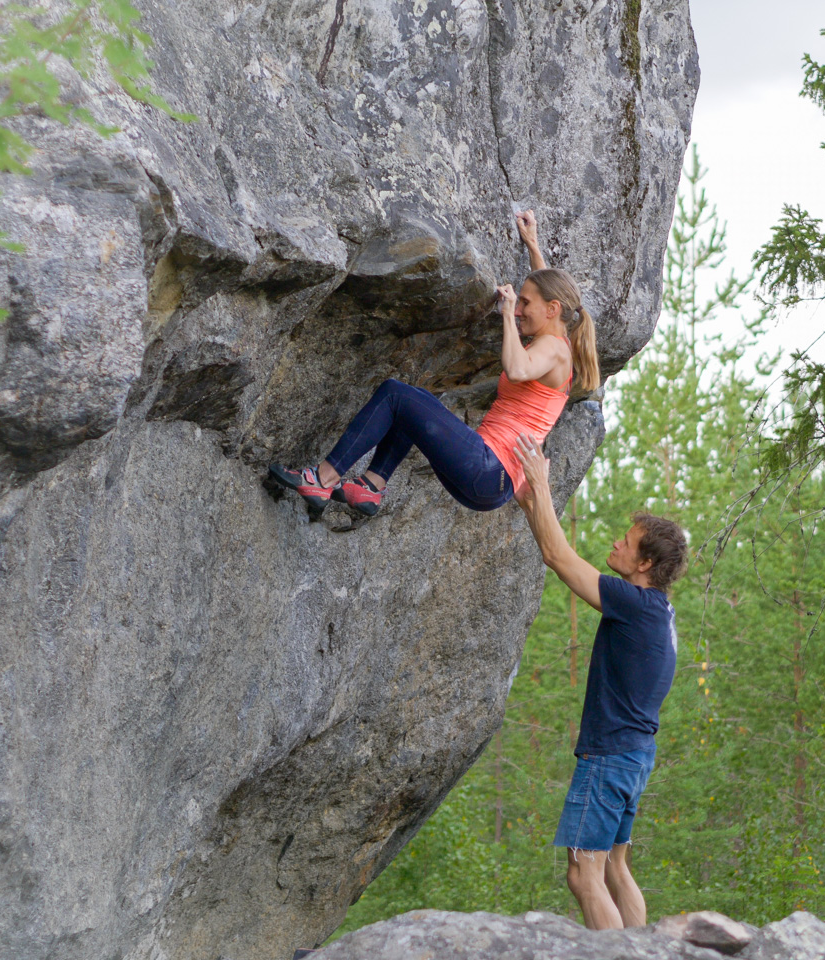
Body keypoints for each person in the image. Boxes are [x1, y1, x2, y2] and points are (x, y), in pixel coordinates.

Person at [267, 210, 599, 517]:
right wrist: (532, 245)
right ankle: (371, 486)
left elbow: (517, 369)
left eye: (526, 303)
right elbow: (547, 291)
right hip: (492, 484)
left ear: (552, 310)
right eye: (520, 303)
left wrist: (508, 314)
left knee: (395, 395)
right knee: (417, 405)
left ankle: (322, 479)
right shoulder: (559, 339)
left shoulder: (554, 349)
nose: (520, 309)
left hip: (488, 469)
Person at [512, 432, 688, 930]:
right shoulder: (658, 611)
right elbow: (553, 549)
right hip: (635, 756)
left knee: (583, 875)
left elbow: (558, 557)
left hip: (609, 758)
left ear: (645, 564)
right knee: (614, 866)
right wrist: (532, 505)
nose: (616, 543)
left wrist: (542, 485)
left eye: (626, 543)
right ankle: (643, 951)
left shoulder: (633, 605)